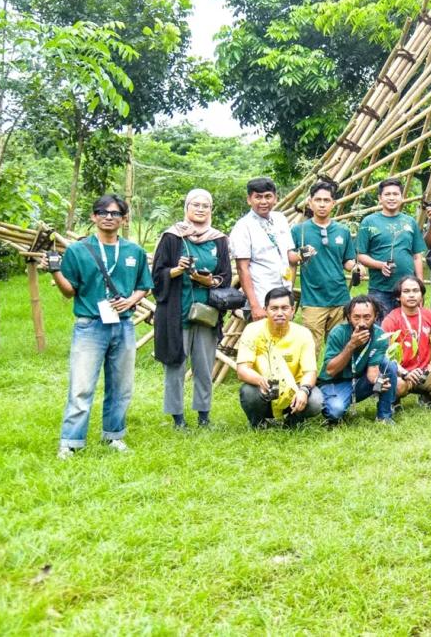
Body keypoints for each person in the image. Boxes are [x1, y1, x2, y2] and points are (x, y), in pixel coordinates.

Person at [49, 195, 154, 458]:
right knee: (82, 386)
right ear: (93, 217)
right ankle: (71, 441)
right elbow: (69, 291)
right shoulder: (77, 251)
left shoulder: (134, 252)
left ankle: (114, 436)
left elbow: (145, 286)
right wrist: (54, 271)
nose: (109, 217)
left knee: (121, 386)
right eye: (103, 212)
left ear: (124, 218)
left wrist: (130, 300)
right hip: (89, 326)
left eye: (115, 213)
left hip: (124, 326)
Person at [152, 189, 231, 430]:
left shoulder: (218, 239)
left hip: (206, 314)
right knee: (175, 365)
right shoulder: (172, 237)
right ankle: (177, 418)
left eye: (205, 205)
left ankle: (204, 416)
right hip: (178, 313)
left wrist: (210, 281)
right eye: (195, 204)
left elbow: (225, 276)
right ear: (186, 208)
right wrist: (176, 270)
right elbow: (156, 275)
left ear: (211, 210)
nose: (200, 209)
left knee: (205, 367)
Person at [236, 288, 323, 428]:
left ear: (293, 310)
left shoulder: (303, 334)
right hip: (266, 387)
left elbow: (310, 372)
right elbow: (242, 370)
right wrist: (259, 380)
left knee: (315, 401)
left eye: (284, 308)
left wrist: (303, 391)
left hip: (294, 387)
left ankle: (293, 421)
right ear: (265, 310)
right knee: (248, 392)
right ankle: (258, 424)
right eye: (274, 308)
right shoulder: (252, 330)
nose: (279, 313)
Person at [292, 181, 357, 350]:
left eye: (326, 200)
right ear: (310, 202)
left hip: (340, 298)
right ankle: (311, 378)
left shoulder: (343, 231)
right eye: (318, 200)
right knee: (310, 349)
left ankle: (335, 378)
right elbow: (289, 257)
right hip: (313, 300)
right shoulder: (299, 230)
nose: (322, 204)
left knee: (340, 347)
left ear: (333, 203)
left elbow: (347, 261)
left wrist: (356, 267)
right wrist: (301, 254)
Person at [318, 296, 399, 425]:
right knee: (335, 411)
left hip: (359, 381)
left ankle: (384, 416)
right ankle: (333, 405)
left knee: (388, 365)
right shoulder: (338, 333)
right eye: (356, 317)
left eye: (367, 317)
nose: (362, 323)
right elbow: (330, 371)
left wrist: (379, 382)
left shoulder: (380, 336)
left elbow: (373, 372)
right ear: (349, 317)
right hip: (334, 382)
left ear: (375, 316)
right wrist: (351, 345)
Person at [381, 275, 431, 407]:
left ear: (421, 295)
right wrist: (403, 373)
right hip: (401, 373)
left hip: (424, 372)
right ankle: (395, 400)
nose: (411, 295)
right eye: (406, 291)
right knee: (398, 386)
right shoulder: (391, 320)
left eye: (415, 291)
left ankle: (425, 394)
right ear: (398, 297)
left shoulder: (430, 316)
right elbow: (385, 352)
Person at [356, 177, 425, 321]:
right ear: (380, 198)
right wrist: (380, 265)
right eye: (387, 194)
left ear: (402, 197)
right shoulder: (369, 222)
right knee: (381, 331)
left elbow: (417, 256)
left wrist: (420, 286)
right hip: (380, 289)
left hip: (407, 290)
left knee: (408, 329)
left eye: (395, 194)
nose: (392, 198)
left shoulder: (409, 222)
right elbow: (361, 255)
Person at [231, 177, 295, 320]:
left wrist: (304, 254)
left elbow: (289, 255)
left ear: (275, 198)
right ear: (249, 200)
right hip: (262, 297)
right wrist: (255, 306)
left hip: (284, 295)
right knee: (261, 340)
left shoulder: (280, 219)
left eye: (268, 196)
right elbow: (243, 268)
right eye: (258, 197)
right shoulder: (243, 227)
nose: (263, 202)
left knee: (284, 340)